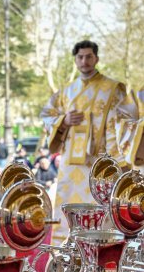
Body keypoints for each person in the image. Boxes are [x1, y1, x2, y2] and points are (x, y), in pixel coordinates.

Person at [40, 40, 138, 242]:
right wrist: (63, 121)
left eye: (89, 56)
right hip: (70, 164)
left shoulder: (114, 88)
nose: (84, 61)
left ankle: (100, 260)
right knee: (67, 212)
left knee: (100, 212)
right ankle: (64, 258)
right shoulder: (66, 91)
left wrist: (117, 162)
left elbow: (128, 119)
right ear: (75, 60)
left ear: (97, 58)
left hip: (101, 163)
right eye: (80, 57)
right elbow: (46, 114)